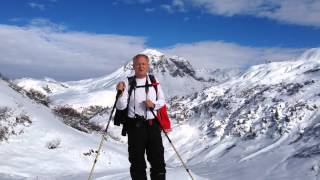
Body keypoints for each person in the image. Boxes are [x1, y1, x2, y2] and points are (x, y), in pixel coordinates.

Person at [116, 54, 166, 180]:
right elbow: (121, 107)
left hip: (152, 125)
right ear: (133, 66)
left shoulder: (154, 81)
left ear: (148, 65)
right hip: (135, 126)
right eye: (138, 64)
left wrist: (153, 105)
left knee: (158, 160)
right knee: (137, 162)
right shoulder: (127, 82)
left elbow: (162, 101)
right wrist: (121, 93)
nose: (141, 66)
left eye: (143, 64)